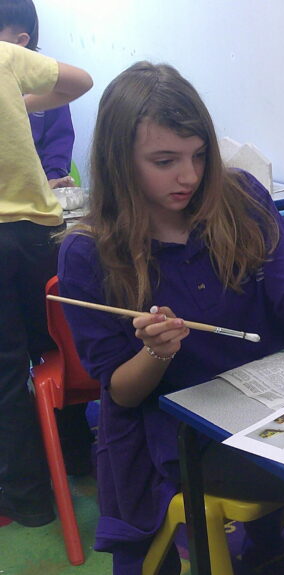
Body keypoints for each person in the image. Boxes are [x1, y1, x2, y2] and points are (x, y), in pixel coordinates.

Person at [57, 61, 284, 574]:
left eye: (199, 155)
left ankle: (283, 548)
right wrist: (156, 352)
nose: (189, 176)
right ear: (119, 160)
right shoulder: (90, 251)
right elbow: (122, 393)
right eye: (165, 161)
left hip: (277, 395)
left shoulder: (237, 196)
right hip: (187, 433)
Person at [0, 38, 91, 527]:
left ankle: (30, 501)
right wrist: (21, 99)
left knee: (6, 373)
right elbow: (81, 81)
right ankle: (76, 453)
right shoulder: (5, 56)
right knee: (56, 347)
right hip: (36, 233)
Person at [0, 0, 76, 188]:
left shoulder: (46, 85)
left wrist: (53, 177)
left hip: (33, 189)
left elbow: (58, 141)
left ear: (19, 41)